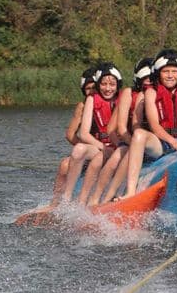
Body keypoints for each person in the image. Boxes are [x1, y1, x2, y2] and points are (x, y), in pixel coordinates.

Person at [122, 49, 177, 198]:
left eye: (174, 71)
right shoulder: (151, 92)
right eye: (166, 71)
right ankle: (130, 191)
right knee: (139, 134)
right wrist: (173, 142)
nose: (170, 75)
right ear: (158, 73)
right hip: (163, 143)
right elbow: (154, 125)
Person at [24, 67, 95, 216]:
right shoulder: (82, 107)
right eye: (88, 88)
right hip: (88, 151)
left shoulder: (109, 101)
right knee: (64, 165)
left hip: (106, 148)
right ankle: (55, 203)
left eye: (94, 87)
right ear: (83, 90)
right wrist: (83, 149)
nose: (91, 91)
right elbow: (70, 134)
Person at [87, 57, 154, 205]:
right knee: (118, 156)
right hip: (131, 141)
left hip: (151, 144)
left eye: (152, 79)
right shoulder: (129, 94)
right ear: (139, 79)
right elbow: (116, 128)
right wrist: (131, 144)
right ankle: (98, 199)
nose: (149, 82)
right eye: (146, 79)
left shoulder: (159, 92)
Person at [62, 62, 122, 205]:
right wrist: (102, 147)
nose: (108, 88)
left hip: (117, 146)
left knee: (98, 160)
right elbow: (82, 134)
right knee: (78, 150)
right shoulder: (90, 100)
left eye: (112, 84)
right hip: (99, 145)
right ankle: (65, 199)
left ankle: (90, 200)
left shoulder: (123, 97)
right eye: (104, 84)